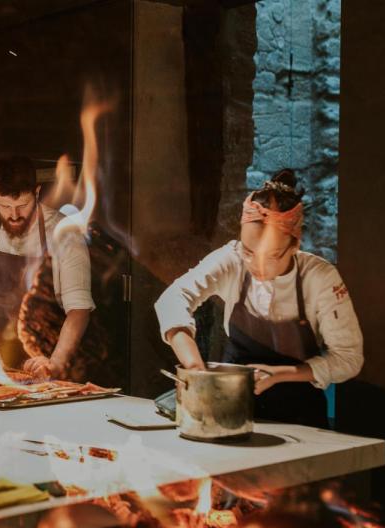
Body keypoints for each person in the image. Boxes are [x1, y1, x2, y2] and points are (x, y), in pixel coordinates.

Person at [154, 169, 363, 427]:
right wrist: (194, 367)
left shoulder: (319, 278)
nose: (257, 266)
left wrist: (277, 374)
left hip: (299, 413)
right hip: (231, 407)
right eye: (249, 251)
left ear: (295, 245)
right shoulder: (232, 259)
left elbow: (349, 359)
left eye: (272, 256)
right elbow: (173, 297)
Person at [0, 156, 94, 379]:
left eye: (22, 205)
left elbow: (78, 309)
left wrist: (56, 363)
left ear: (37, 192)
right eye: (4, 206)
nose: (13, 215)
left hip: (45, 368)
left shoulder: (65, 234)